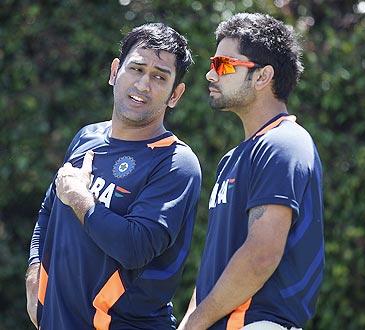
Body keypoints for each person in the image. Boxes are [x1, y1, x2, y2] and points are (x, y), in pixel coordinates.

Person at [25, 23, 201, 330]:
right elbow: (49, 211)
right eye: (137, 69)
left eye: (160, 76)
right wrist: (34, 274)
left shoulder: (176, 163)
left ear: (176, 94)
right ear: (114, 71)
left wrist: (81, 199)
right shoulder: (86, 137)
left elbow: (134, 247)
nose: (144, 84)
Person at [179, 13, 324, 330]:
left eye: (223, 65)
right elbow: (217, 265)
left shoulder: (284, 143)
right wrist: (191, 321)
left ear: (262, 77)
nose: (210, 74)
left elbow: (261, 254)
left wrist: (196, 322)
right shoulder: (234, 157)